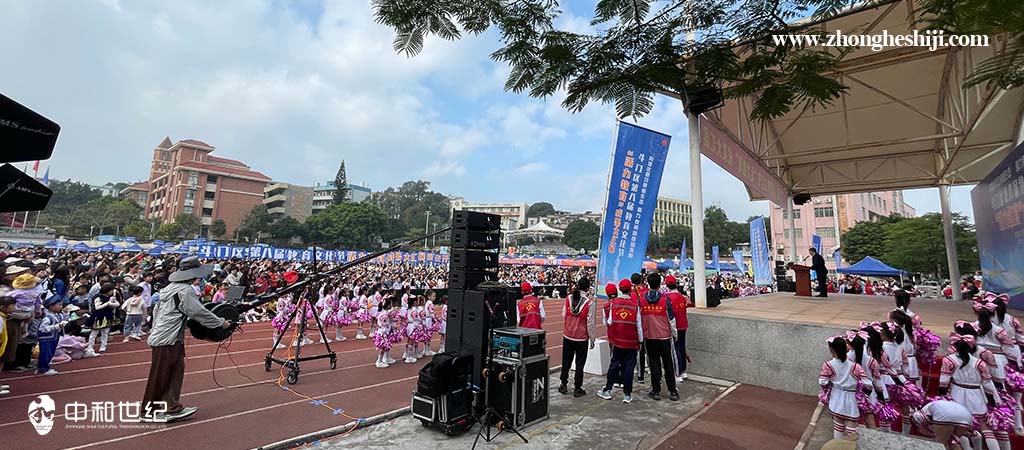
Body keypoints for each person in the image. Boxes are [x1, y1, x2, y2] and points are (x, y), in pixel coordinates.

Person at [142, 256, 231, 423]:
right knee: (160, 376)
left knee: (175, 372)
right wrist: (221, 323)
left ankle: (171, 407)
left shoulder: (170, 288)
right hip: (166, 340)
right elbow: (198, 312)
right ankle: (149, 411)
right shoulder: (185, 291)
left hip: (171, 338)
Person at [941, 325, 1002, 450]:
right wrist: (992, 403)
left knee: (958, 427)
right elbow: (987, 384)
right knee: (985, 429)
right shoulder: (979, 363)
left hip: (957, 395)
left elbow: (944, 382)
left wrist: (941, 398)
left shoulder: (949, 360)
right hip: (977, 397)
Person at [597, 280, 643, 404]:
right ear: (630, 290)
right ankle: (627, 394)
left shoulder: (614, 303)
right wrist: (640, 341)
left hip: (618, 341)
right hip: (631, 341)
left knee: (613, 365)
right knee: (629, 367)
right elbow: (639, 325)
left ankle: (607, 390)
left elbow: (610, 321)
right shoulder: (635, 304)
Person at [639, 273, 679, 401]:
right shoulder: (665, 300)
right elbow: (671, 319)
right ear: (660, 283)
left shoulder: (642, 299)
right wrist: (675, 334)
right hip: (664, 336)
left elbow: (638, 318)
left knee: (654, 363)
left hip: (649, 336)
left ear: (648, 283)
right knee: (668, 364)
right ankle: (672, 391)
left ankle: (655, 390)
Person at [819, 335, 867, 440]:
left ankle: (838, 446)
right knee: (852, 428)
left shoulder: (828, 365)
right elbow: (867, 384)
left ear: (831, 350)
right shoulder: (856, 366)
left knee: (838, 425)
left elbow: (823, 381)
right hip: (851, 399)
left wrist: (829, 386)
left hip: (836, 398)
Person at [558, 277, 595, 398]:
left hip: (568, 335)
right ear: (588, 288)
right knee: (580, 364)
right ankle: (577, 388)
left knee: (566, 361)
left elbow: (564, 314)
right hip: (581, 338)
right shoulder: (589, 303)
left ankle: (563, 384)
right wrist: (592, 339)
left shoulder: (569, 298)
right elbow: (590, 323)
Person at [911, 399, 976, 450]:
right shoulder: (933, 406)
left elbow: (922, 426)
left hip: (946, 416)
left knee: (940, 443)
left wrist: (931, 433)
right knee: (954, 440)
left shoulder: (919, 415)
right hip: (966, 416)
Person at [666, 276, 692, 382]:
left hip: (674, 326)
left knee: (675, 349)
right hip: (683, 324)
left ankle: (678, 373)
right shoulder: (682, 296)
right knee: (681, 346)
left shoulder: (667, 297)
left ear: (667, 285)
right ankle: (683, 370)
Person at [36, 296, 67, 376]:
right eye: (59, 305)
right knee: (46, 353)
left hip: (54, 337)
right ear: (51, 306)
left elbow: (65, 320)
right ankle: (43, 368)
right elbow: (42, 328)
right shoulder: (48, 317)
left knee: (51, 352)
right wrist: (56, 326)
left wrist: (66, 314)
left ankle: (44, 366)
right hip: (46, 338)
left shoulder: (58, 315)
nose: (61, 307)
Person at [85, 283, 119, 353]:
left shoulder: (111, 297)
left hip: (107, 316)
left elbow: (117, 304)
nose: (112, 292)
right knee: (94, 333)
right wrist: (108, 303)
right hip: (98, 316)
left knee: (105, 332)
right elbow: (97, 307)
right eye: (111, 290)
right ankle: (90, 347)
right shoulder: (98, 297)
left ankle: (103, 346)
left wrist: (111, 303)